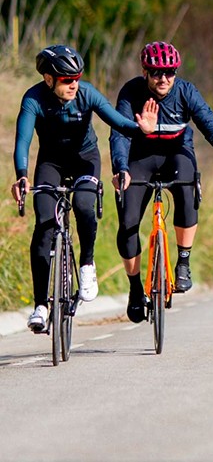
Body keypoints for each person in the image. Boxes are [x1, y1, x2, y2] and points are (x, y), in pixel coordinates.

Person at [11, 44, 158, 332]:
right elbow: (22, 142)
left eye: (77, 78)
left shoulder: (87, 93)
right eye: (67, 80)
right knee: (43, 226)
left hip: (85, 160)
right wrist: (22, 175)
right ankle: (41, 305)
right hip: (50, 163)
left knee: (82, 206)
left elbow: (117, 122)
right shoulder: (33, 99)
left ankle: (87, 265)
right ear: (48, 79)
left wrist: (141, 129)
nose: (74, 85)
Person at [110, 41, 213, 323]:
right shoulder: (131, 92)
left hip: (177, 154)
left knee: (187, 188)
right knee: (128, 221)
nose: (163, 78)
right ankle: (134, 288)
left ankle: (184, 263)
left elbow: (211, 127)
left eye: (169, 72)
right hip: (140, 157)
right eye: (155, 73)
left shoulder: (186, 92)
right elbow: (119, 135)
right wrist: (121, 168)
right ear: (145, 72)